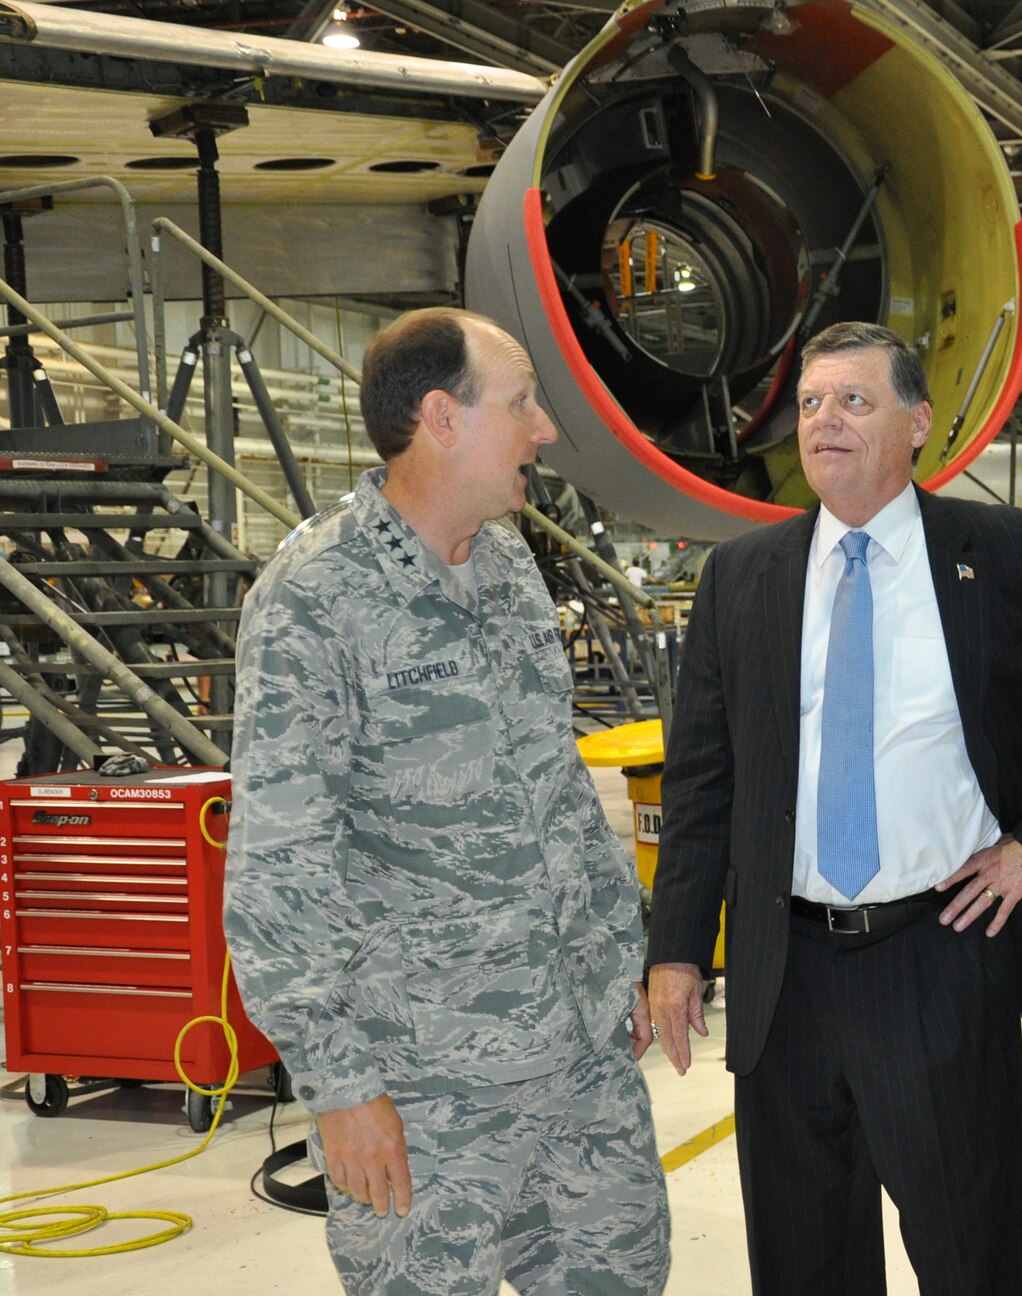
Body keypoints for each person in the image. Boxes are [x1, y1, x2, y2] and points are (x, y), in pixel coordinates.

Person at [646, 321, 1022, 1295]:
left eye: (854, 400)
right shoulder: (740, 577)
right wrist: (675, 948)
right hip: (782, 972)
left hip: (935, 959)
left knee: (969, 1256)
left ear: (917, 421)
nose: (824, 421)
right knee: (804, 1264)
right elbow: (701, 778)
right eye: (808, 403)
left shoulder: (1002, 552)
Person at [224, 307, 671, 1295]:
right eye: (520, 404)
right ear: (441, 418)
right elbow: (278, 863)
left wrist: (613, 956)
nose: (543, 428)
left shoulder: (509, 564)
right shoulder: (315, 595)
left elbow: (555, 788)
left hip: (578, 1064)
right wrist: (339, 1086)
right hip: (427, 1088)